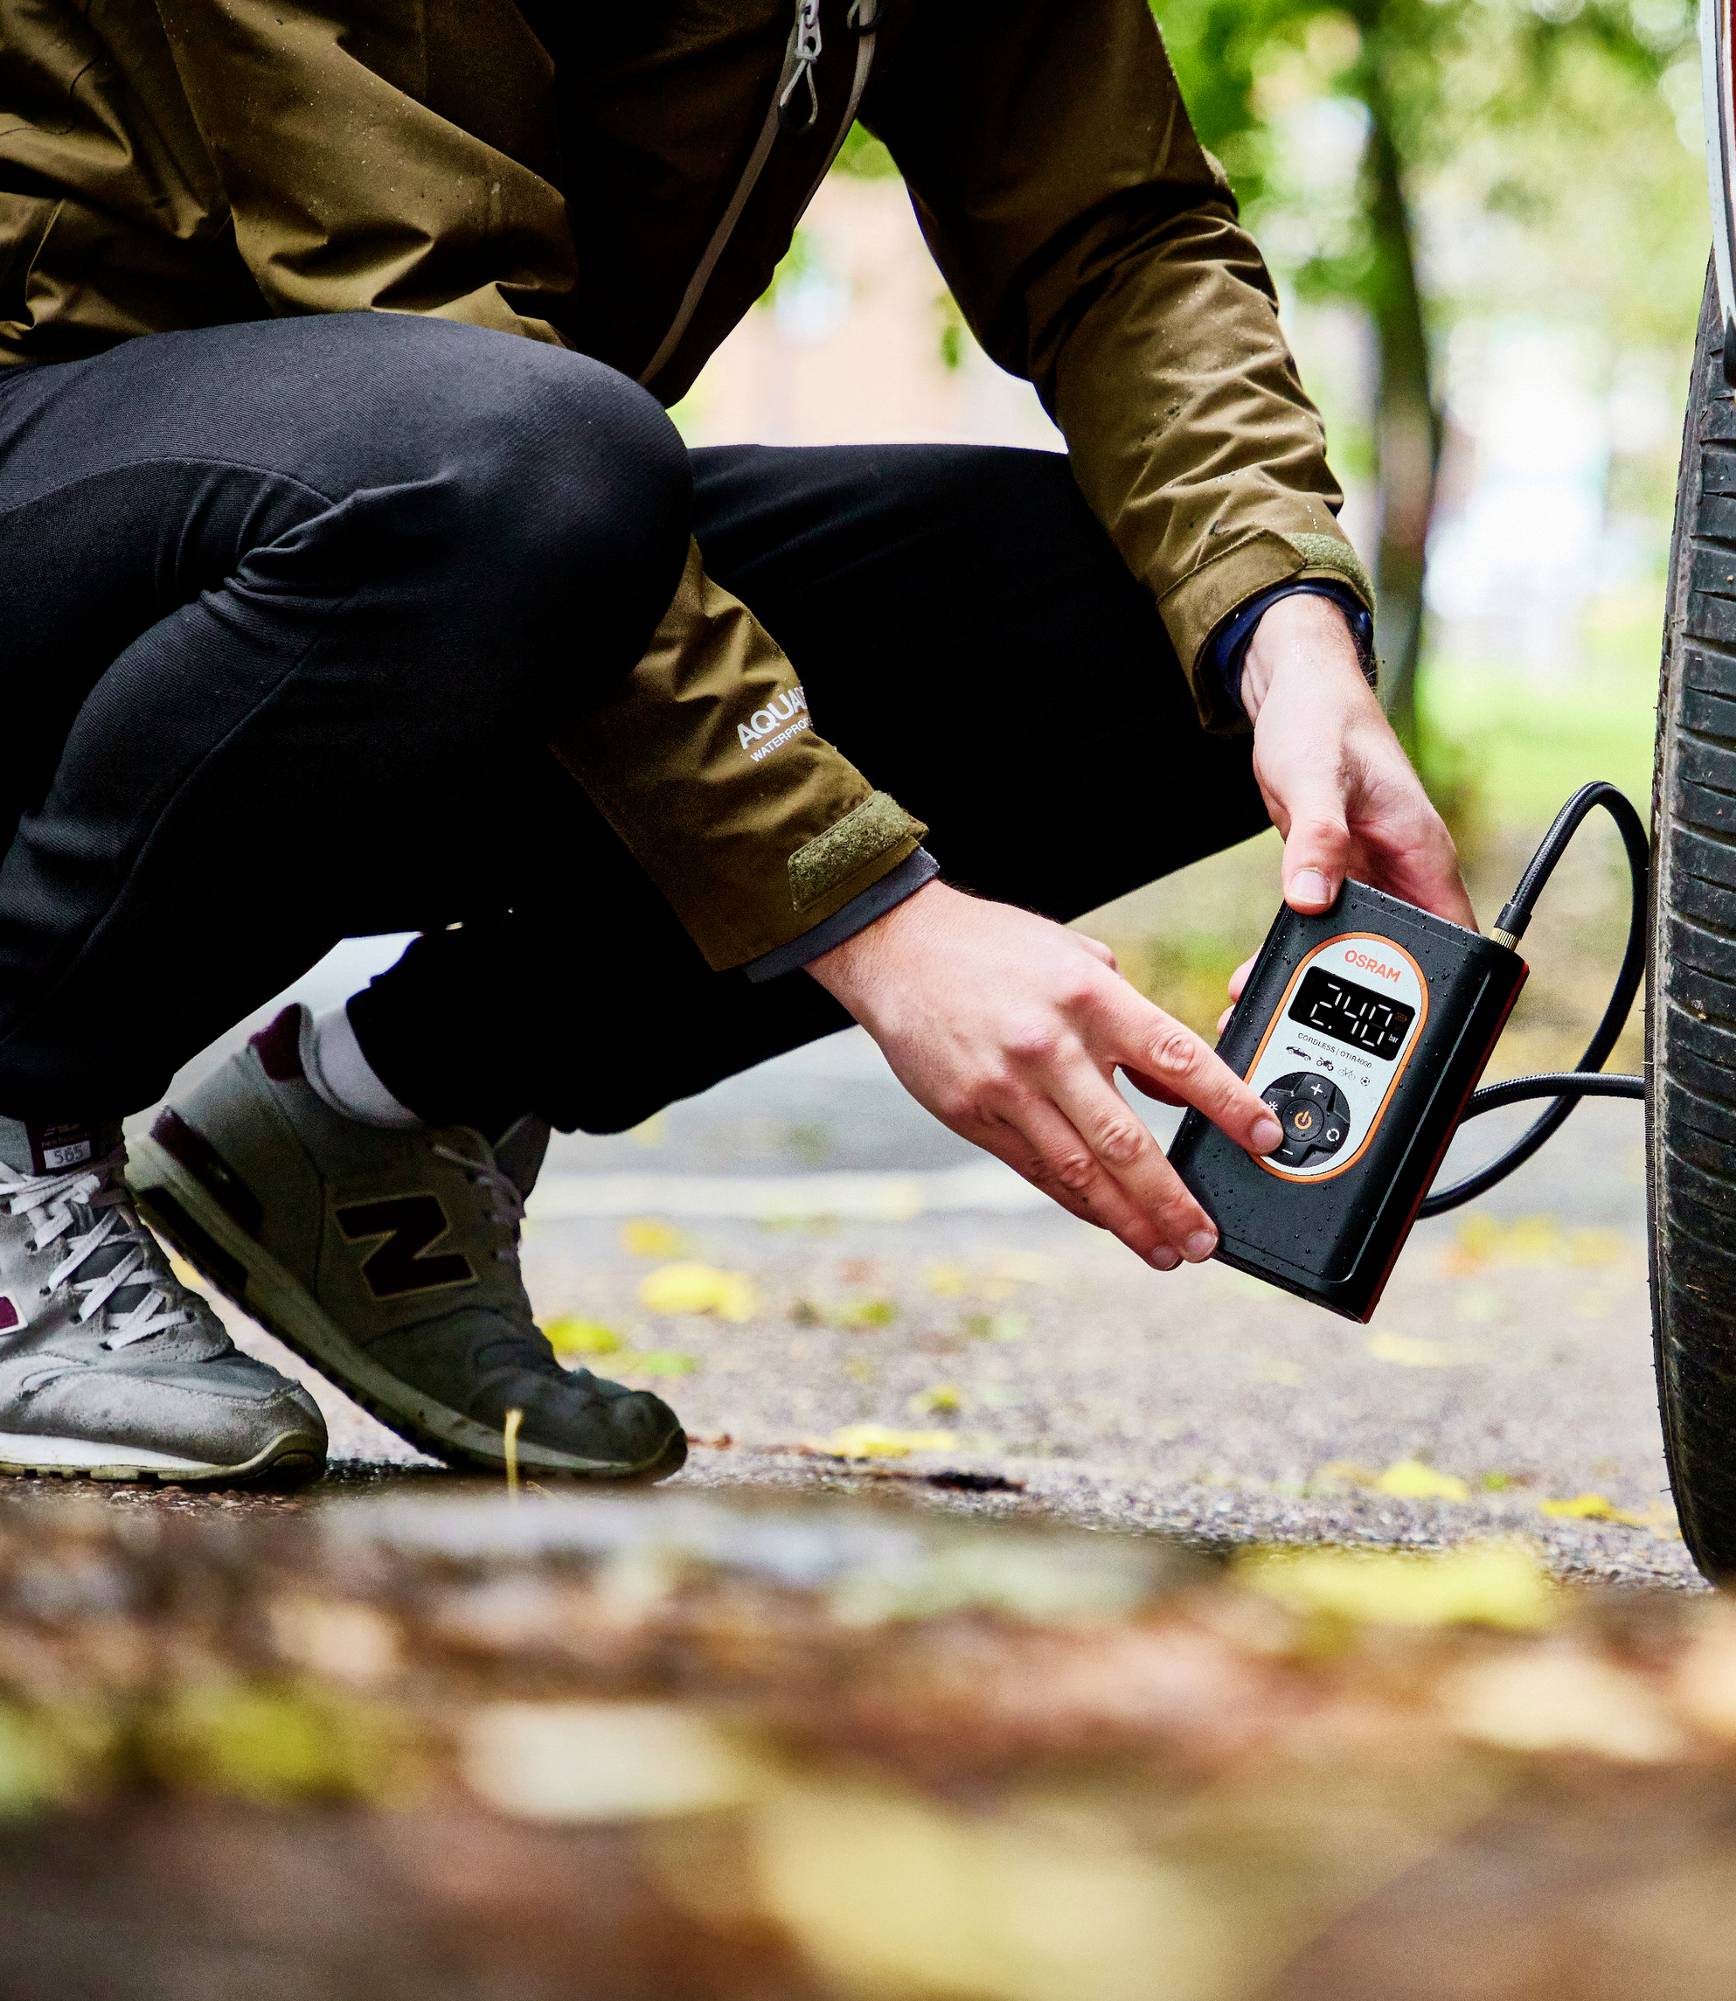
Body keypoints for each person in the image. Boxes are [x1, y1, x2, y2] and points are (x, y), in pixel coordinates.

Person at [0, 0, 1472, 1486]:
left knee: (1173, 650)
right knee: (535, 467)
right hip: (77, 490)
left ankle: (365, 1119)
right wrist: (870, 908)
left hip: (406, 540)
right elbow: (402, 302)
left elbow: (1118, 232)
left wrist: (1287, 626)